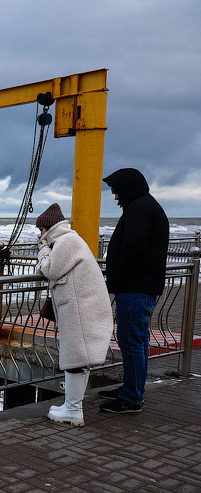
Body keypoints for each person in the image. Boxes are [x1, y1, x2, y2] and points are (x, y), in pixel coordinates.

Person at [35, 203, 114, 426]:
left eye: (41, 230)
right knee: (79, 357)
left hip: (79, 309)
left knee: (76, 357)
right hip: (80, 307)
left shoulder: (66, 242)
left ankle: (73, 409)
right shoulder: (68, 240)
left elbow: (50, 269)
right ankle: (72, 406)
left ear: (47, 227)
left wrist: (42, 250)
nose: (40, 235)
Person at [98, 168, 169, 413]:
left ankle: (131, 397)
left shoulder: (140, 209)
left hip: (136, 288)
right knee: (135, 341)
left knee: (131, 342)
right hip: (139, 288)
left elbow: (133, 248)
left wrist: (116, 277)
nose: (115, 196)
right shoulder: (144, 206)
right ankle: (131, 388)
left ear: (128, 187)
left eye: (116, 190)